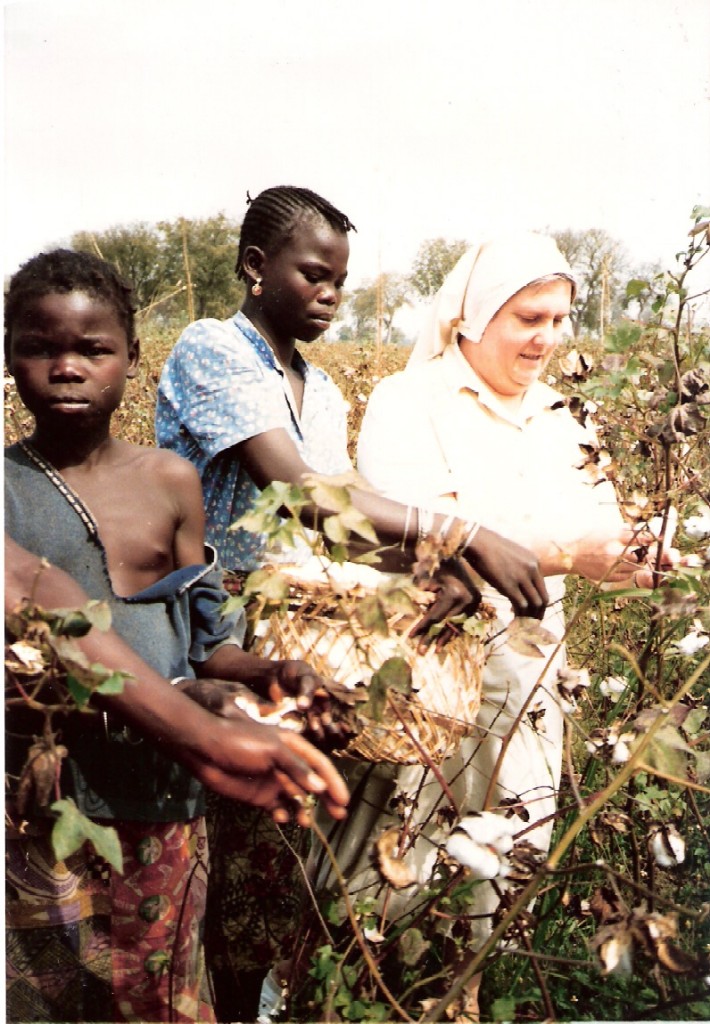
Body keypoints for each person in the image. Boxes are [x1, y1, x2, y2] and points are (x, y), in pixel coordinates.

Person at [155, 186, 552, 1020]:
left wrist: (433, 561)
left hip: (299, 632)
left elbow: (343, 525)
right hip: (208, 633)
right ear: (255, 268)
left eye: (341, 280)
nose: (331, 296)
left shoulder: (322, 393)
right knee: (231, 864)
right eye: (314, 275)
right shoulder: (212, 350)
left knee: (289, 857)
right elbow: (300, 495)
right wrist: (464, 530)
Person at [3, 249, 348, 1024]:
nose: (66, 368)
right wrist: (193, 719)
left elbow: (200, 646)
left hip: (165, 800)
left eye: (92, 349)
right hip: (45, 805)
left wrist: (265, 672)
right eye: (39, 347)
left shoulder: (168, 481)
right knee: (52, 995)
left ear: (130, 359)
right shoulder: (6, 490)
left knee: (157, 993)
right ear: (9, 355)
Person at [335, 230, 672, 1014]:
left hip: (527, 674)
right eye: (529, 317)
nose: (548, 338)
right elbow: (431, 541)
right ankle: (368, 995)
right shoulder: (408, 402)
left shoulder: (564, 414)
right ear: (472, 316)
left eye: (559, 319)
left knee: (502, 857)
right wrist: (569, 550)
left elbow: (603, 524)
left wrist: (638, 554)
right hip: (429, 677)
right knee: (399, 859)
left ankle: (465, 995)